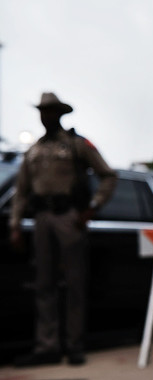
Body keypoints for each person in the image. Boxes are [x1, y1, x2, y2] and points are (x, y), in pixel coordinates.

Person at [10, 92, 117, 366]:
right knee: (43, 285)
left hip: (69, 216)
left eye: (51, 111)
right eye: (42, 111)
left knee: (74, 284)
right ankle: (47, 347)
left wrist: (92, 207)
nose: (46, 116)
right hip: (41, 219)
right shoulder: (34, 150)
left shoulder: (75, 145)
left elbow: (107, 175)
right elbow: (21, 191)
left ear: (60, 113)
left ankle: (74, 345)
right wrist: (15, 225)